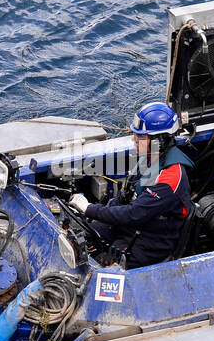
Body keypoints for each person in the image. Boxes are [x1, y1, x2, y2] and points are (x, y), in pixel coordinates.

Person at [68, 101, 194, 267]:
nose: (134, 140)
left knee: (99, 267)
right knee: (81, 234)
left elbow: (133, 214)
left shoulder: (170, 177)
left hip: (151, 240)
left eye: (140, 137)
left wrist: (89, 208)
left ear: (160, 140)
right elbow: (126, 198)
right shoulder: (150, 159)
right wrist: (94, 214)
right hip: (132, 227)